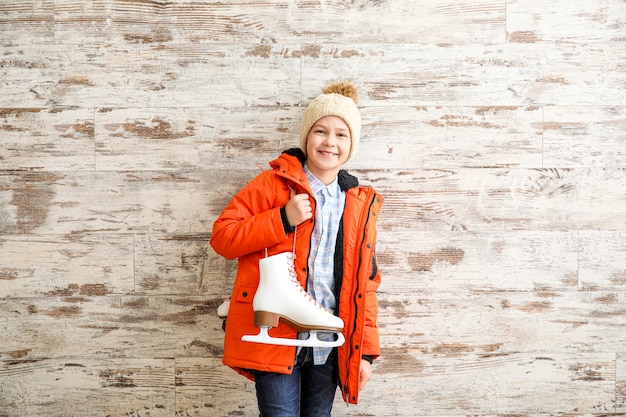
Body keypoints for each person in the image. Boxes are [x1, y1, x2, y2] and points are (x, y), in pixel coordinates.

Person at [210, 80, 384, 417]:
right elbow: (223, 238)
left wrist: (365, 352)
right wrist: (282, 219)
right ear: (306, 136)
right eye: (320, 131)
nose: (329, 142)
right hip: (276, 334)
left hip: (328, 344)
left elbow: (366, 286)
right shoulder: (272, 185)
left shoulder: (358, 206)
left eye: (341, 134)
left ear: (352, 144)